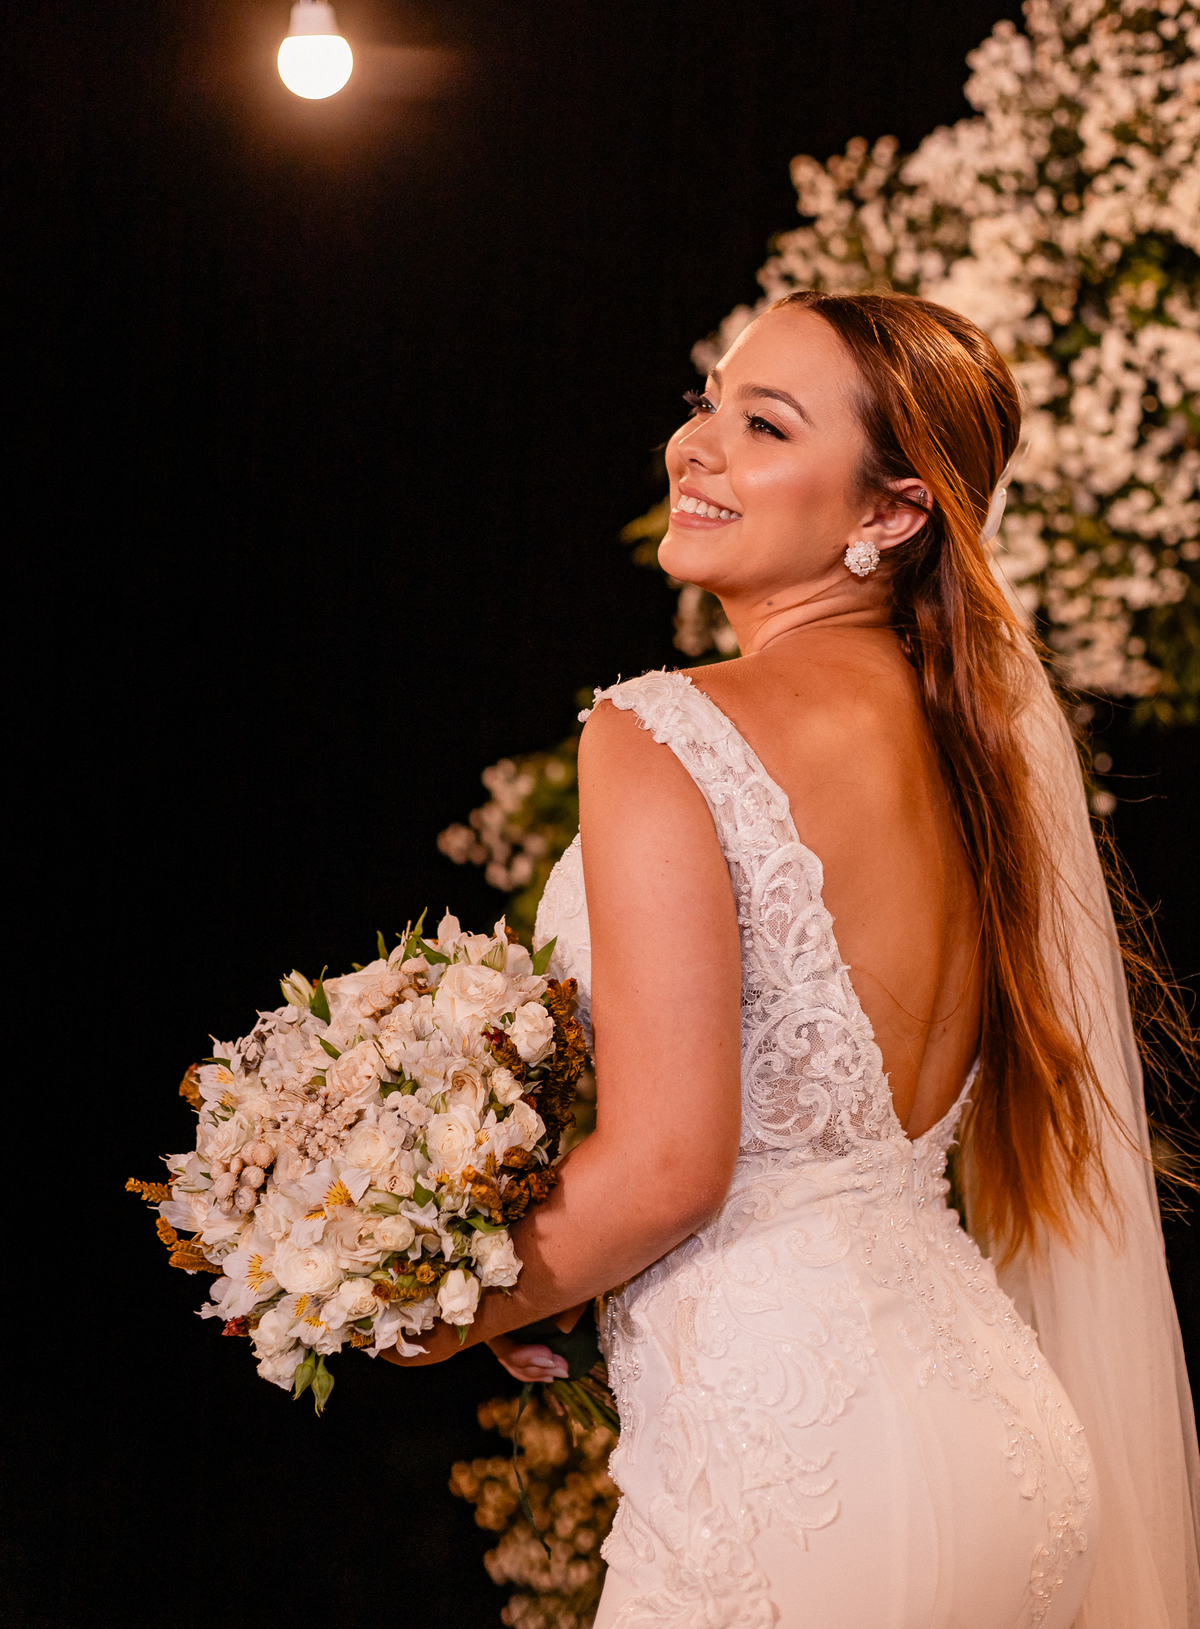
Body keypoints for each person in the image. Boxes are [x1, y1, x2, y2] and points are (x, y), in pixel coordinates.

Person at [386, 293, 1199, 1628]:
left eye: (765, 425)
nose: (694, 446)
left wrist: (426, 1303)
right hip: (1002, 1451)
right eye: (707, 402)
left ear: (893, 512)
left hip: (799, 1481)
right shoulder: (978, 753)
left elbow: (671, 1169)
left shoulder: (662, 729)